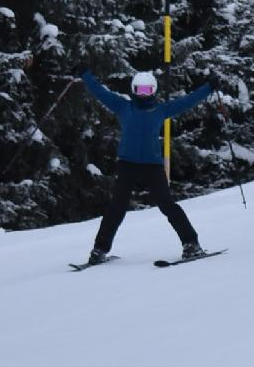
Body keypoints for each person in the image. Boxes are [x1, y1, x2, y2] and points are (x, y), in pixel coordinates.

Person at [78, 68, 215, 265]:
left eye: (147, 90)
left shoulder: (161, 110)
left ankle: (191, 244)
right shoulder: (123, 106)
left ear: (154, 90)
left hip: (152, 166)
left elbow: (187, 101)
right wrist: (85, 75)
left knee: (167, 205)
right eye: (140, 90)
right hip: (127, 165)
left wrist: (209, 87)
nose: (143, 94)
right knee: (116, 207)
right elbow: (100, 92)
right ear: (134, 90)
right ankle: (99, 249)